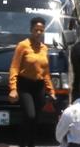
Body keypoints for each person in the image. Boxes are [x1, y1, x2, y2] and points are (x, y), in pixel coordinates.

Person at [8, 17, 56, 147]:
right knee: (29, 115)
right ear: (31, 30)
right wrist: (13, 88)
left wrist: (51, 90)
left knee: (35, 119)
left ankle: (30, 144)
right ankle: (22, 143)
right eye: (36, 30)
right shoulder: (23, 45)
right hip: (25, 85)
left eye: (41, 30)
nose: (39, 33)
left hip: (39, 86)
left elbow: (45, 72)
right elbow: (14, 67)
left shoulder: (44, 49)